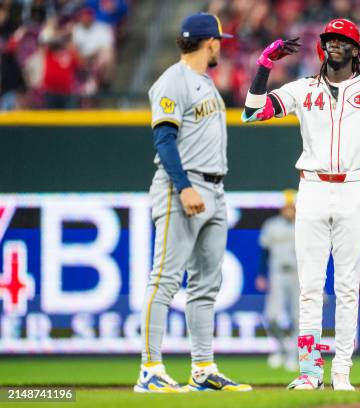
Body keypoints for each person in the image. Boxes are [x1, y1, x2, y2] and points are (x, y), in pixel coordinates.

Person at [242, 18, 360, 390]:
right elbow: (252, 111)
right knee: (310, 286)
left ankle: (342, 372)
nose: (333, 44)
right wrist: (263, 66)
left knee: (349, 287)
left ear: (354, 50)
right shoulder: (303, 88)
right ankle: (309, 371)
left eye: (341, 39)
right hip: (314, 189)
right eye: (329, 39)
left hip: (355, 189)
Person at [134, 12, 251, 393]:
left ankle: (203, 369)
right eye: (219, 40)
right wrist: (183, 187)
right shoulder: (173, 80)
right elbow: (164, 139)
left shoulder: (204, 82)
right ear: (209, 42)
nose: (221, 45)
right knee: (165, 280)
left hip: (215, 189)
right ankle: (150, 369)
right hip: (182, 187)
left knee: (205, 286)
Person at [256, 189, 299, 372]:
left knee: (300, 318)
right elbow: (264, 251)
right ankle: (284, 346)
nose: (289, 210)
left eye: (292, 207)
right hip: (277, 272)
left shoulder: (306, 224)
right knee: (272, 316)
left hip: (299, 273)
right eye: (286, 207)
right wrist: (261, 274)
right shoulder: (272, 225)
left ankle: (293, 355)